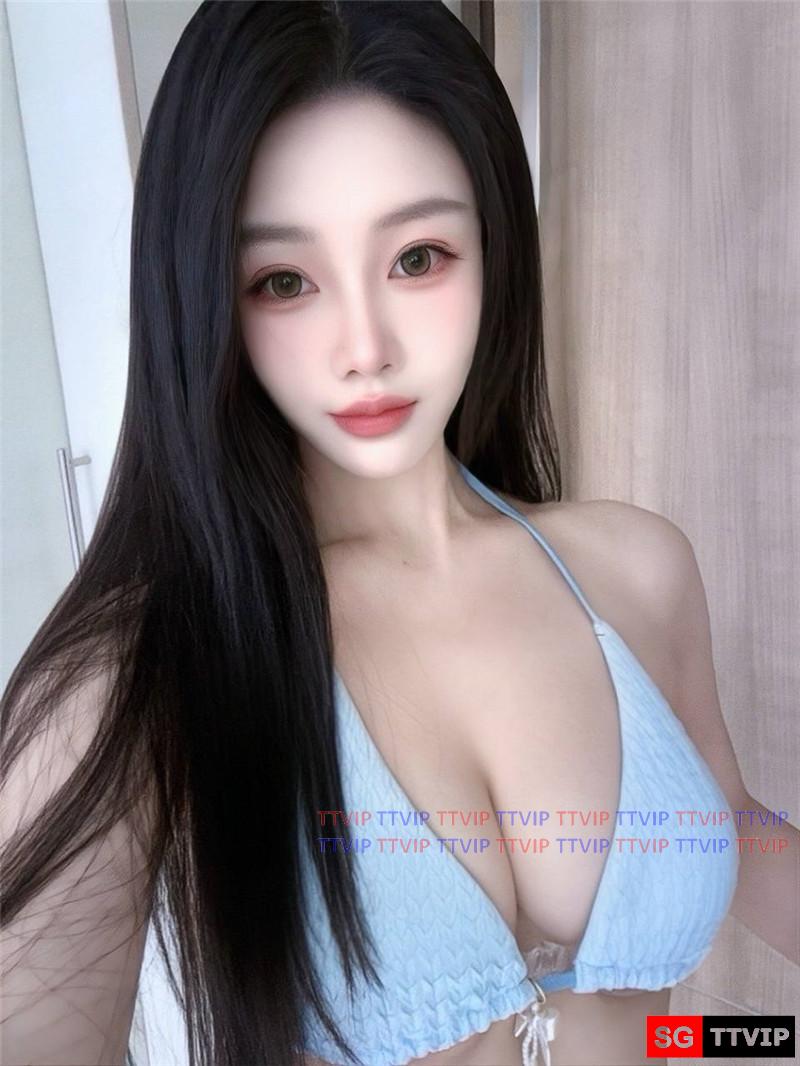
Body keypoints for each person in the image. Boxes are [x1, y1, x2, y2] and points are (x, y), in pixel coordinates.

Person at [1, 4, 797, 1066]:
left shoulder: (634, 570)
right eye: (285, 281)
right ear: (207, 303)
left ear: (493, 249)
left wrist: (750, 1043)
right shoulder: (144, 669)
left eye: (418, 257)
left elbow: (729, 832)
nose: (364, 348)